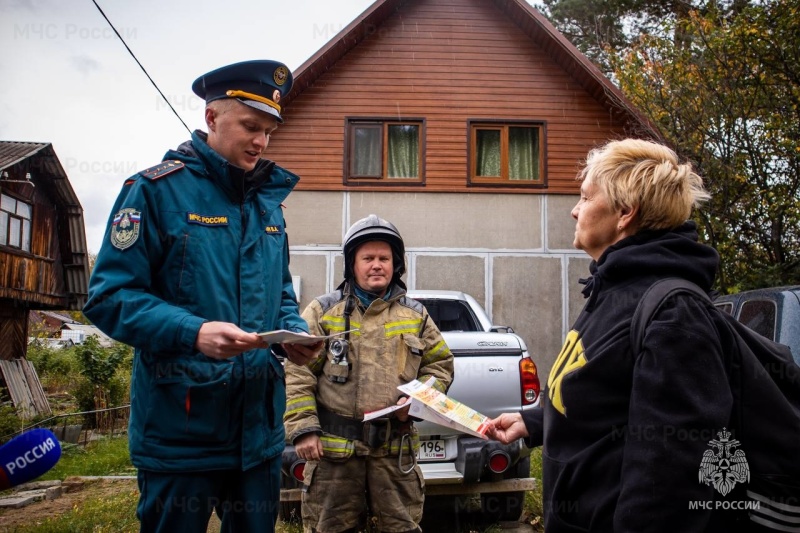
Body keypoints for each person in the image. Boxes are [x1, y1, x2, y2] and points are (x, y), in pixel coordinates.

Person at [83, 60, 322, 533]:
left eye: (269, 131)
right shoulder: (153, 192)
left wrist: (292, 332)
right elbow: (109, 297)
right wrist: (193, 331)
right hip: (181, 433)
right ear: (212, 119)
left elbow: (280, 292)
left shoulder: (267, 203)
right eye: (251, 126)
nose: (261, 141)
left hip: (259, 435)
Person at [489, 138, 742, 531]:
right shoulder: (610, 290)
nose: (574, 211)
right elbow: (605, 398)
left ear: (625, 213)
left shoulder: (673, 315)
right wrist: (535, 421)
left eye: (586, 197)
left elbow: (669, 483)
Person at [284, 214, 455, 533]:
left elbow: (440, 366)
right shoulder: (323, 313)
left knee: (401, 528)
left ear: (396, 264)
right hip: (335, 455)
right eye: (368, 258)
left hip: (394, 453)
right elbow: (297, 372)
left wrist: (419, 400)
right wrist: (304, 428)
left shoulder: (415, 315)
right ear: (352, 264)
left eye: (384, 258)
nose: (377, 265)